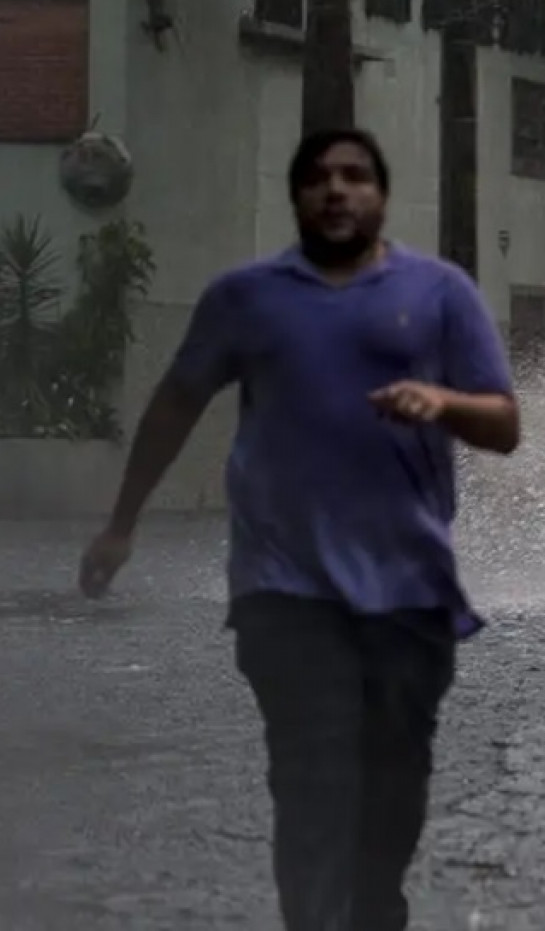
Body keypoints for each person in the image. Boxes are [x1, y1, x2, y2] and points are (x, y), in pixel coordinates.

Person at [76, 128, 520, 931]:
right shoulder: (244, 298)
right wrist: (121, 524)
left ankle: (375, 908)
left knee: (392, 791)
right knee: (312, 781)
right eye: (318, 177)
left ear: (381, 195)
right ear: (297, 197)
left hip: (409, 592)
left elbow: (504, 425)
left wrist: (442, 402)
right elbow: (175, 403)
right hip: (283, 589)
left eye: (354, 176)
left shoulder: (441, 292)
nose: (336, 189)